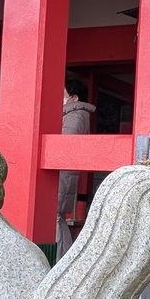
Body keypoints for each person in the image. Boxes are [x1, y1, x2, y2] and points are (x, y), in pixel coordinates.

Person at [57, 79, 95, 259]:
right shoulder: (72, 113)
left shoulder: (76, 115)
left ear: (74, 98)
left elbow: (64, 143)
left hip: (62, 174)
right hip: (63, 174)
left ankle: (61, 259)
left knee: (56, 216)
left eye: (63, 95)